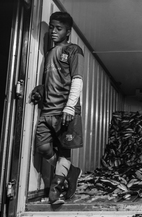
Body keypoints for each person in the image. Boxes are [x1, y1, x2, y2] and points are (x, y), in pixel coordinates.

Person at [31, 11, 84, 204]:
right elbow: (52, 80)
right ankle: (71, 171)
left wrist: (70, 107)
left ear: (67, 31)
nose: (53, 31)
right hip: (48, 110)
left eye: (58, 28)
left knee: (64, 151)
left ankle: (57, 191)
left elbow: (77, 79)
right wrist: (41, 88)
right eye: (51, 27)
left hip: (65, 111)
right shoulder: (49, 53)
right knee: (43, 147)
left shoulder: (73, 50)